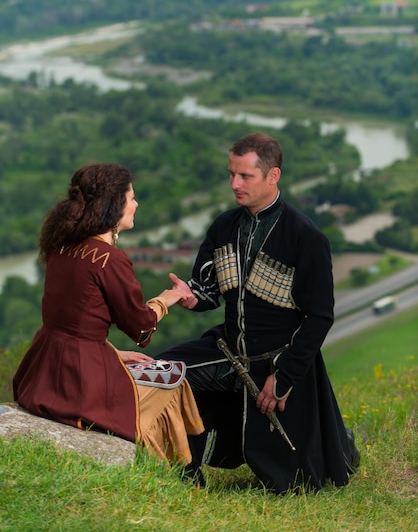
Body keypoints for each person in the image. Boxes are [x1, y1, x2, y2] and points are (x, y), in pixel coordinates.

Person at [156, 132, 360, 493]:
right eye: (231, 174)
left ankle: (339, 440)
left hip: (280, 360)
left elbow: (320, 317)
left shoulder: (307, 238)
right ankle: (186, 466)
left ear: (273, 176)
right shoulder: (224, 226)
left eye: (245, 176)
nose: (235, 184)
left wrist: (285, 377)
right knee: (161, 374)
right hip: (228, 348)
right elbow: (209, 292)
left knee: (298, 478)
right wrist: (191, 297)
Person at [13, 162, 204, 468]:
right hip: (79, 384)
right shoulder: (111, 260)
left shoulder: (61, 246)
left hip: (41, 372)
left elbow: (71, 320)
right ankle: (176, 474)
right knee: (173, 380)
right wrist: (167, 298)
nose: (136, 204)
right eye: (131, 197)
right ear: (114, 206)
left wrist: (111, 353)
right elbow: (141, 329)